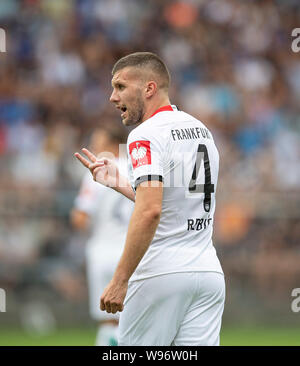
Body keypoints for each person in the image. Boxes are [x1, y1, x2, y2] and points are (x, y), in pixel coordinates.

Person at [75, 52, 225, 346]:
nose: (111, 97)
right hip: (207, 272)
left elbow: (150, 212)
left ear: (149, 88)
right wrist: (119, 183)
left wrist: (120, 280)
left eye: (120, 87)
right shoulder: (201, 130)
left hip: (162, 272)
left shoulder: (145, 134)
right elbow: (174, 201)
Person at [71, 125, 134, 346]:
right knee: (134, 318)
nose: (95, 146)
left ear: (111, 144)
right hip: (135, 252)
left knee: (108, 320)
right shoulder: (138, 169)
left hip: (103, 250)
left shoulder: (98, 171)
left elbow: (79, 218)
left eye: (98, 141)